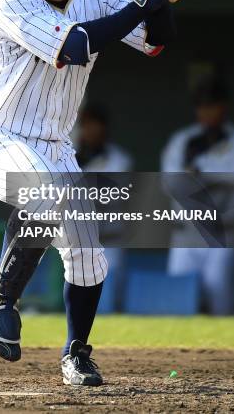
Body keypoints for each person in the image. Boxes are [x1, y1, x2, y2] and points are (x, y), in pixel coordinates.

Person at [0, 0, 177, 385]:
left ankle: (76, 352)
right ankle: (0, 295)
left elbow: (156, 43)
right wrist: (143, 2)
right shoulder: (12, 1)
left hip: (54, 144)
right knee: (47, 191)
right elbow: (76, 44)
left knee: (87, 252)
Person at [161, 74, 234, 315]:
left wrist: (200, 173)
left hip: (221, 233)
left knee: (219, 299)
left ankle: (220, 352)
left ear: (224, 106)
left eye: (213, 105)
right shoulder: (183, 140)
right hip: (185, 232)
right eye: (203, 106)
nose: (208, 112)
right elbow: (169, 181)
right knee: (178, 302)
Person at [76, 102, 132, 312]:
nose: (91, 130)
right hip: (79, 242)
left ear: (104, 128)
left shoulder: (119, 159)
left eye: (95, 124)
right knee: (78, 301)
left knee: (108, 304)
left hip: (110, 242)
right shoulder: (71, 157)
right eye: (86, 125)